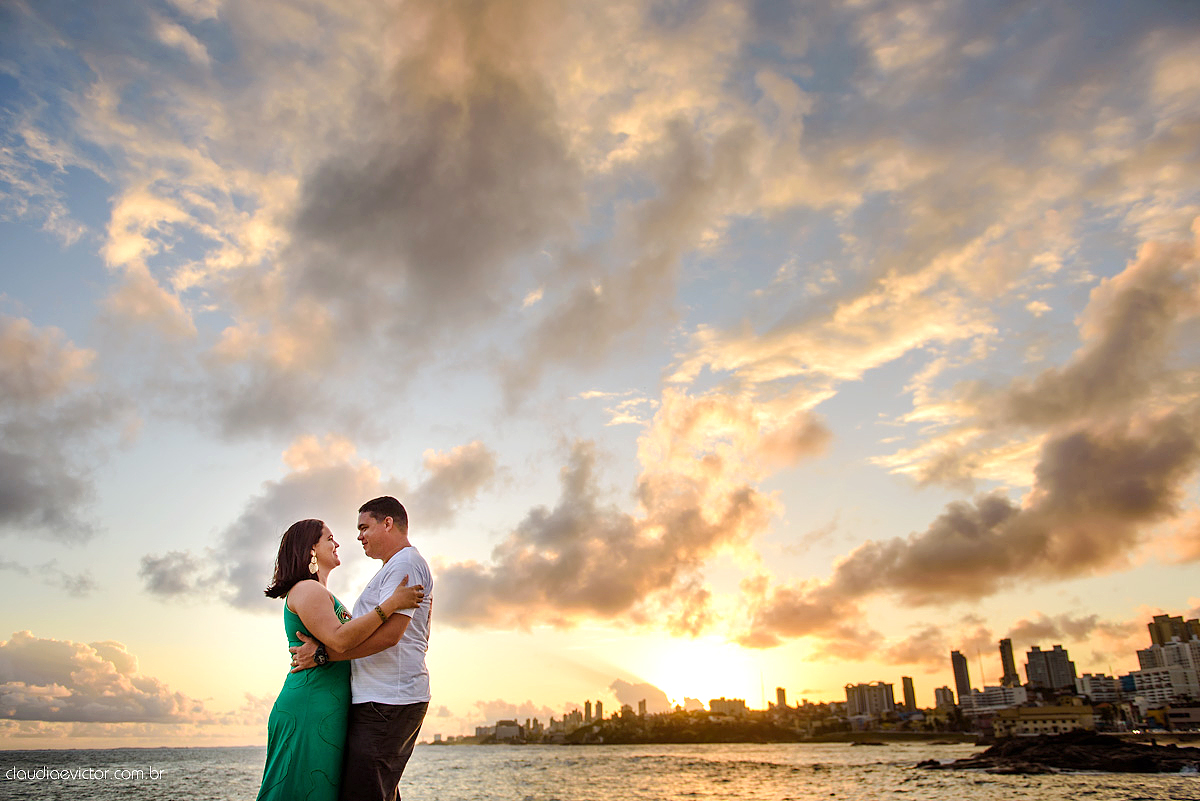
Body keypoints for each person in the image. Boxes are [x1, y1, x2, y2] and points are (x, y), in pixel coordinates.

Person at [258, 518, 424, 801]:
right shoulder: (307, 590)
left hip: (327, 704)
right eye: (329, 539)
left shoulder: (320, 592)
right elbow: (340, 639)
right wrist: (392, 604)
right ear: (311, 549)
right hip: (311, 705)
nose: (337, 544)